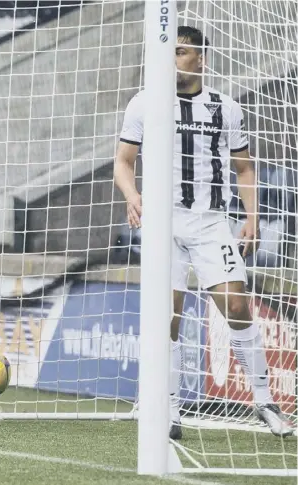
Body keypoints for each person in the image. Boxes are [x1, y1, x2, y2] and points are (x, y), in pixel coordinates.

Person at [114, 26, 294, 439]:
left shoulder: (226, 107)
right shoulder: (145, 103)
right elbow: (123, 162)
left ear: (201, 58)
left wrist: (252, 217)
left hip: (212, 222)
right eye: (169, 51)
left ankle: (264, 402)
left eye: (181, 51)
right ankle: (169, 409)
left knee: (236, 306)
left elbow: (245, 168)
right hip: (163, 222)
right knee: (169, 315)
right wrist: (131, 194)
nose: (174, 58)